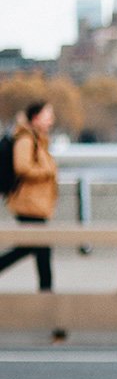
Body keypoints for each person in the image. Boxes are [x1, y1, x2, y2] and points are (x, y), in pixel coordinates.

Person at [0, 100, 57, 292]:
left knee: (33, 248)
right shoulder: (26, 139)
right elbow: (22, 167)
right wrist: (46, 171)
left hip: (35, 204)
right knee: (39, 249)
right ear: (35, 117)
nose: (51, 120)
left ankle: (47, 295)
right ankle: (47, 297)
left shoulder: (36, 138)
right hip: (28, 204)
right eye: (48, 115)